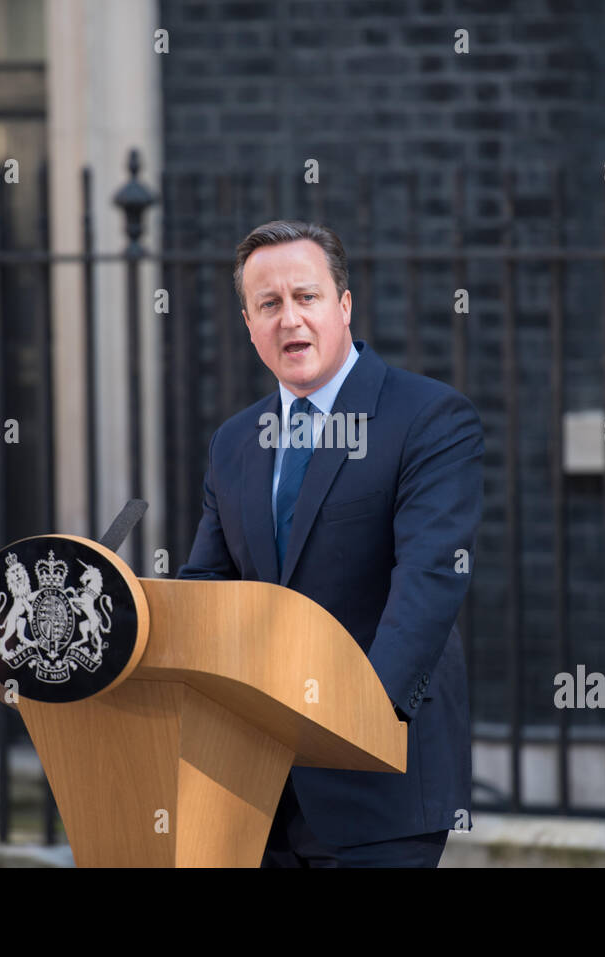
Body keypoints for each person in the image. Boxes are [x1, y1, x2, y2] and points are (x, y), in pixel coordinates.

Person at [177, 220, 484, 867]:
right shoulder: (234, 442)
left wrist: (355, 722)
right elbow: (208, 583)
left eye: (306, 296)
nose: (289, 318)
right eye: (269, 304)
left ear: (343, 305)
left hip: (379, 779)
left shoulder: (428, 417)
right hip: (256, 789)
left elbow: (429, 580)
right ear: (248, 322)